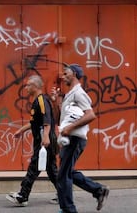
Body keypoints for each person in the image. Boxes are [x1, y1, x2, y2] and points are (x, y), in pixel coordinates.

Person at [51, 63, 110, 213]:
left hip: (75, 139)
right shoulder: (70, 94)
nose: (63, 77)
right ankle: (98, 190)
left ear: (75, 75)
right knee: (67, 172)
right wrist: (57, 103)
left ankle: (68, 209)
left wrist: (70, 128)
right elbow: (60, 120)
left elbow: (90, 115)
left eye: (66, 74)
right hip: (69, 139)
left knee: (63, 176)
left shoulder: (79, 93)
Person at [6, 75, 59, 207]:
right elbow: (34, 122)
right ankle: (64, 193)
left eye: (28, 85)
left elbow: (47, 120)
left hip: (44, 140)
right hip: (45, 139)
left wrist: (45, 137)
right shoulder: (39, 101)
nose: (26, 88)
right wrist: (21, 130)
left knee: (34, 167)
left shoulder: (41, 101)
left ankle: (23, 195)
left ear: (35, 87)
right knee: (52, 170)